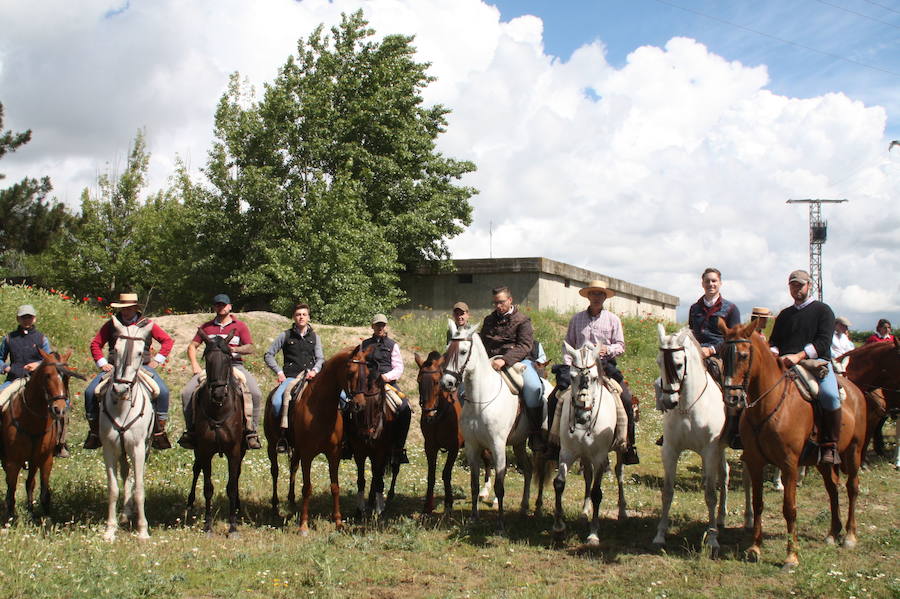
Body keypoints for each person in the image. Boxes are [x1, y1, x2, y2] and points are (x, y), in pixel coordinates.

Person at [556, 280, 640, 465]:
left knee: (625, 399)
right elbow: (568, 344)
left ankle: (627, 444)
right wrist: (570, 365)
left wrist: (607, 350)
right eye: (593, 294)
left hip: (603, 367)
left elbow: (620, 345)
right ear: (588, 296)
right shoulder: (576, 319)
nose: (596, 297)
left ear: (604, 297)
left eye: (600, 294)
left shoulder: (613, 319)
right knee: (556, 397)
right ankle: (553, 441)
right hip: (579, 368)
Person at [769, 270, 842, 464]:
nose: (796, 289)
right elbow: (774, 341)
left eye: (800, 285)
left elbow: (824, 342)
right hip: (785, 363)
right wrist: (774, 352)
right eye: (793, 285)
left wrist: (799, 355)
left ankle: (830, 445)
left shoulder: (823, 310)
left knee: (830, 395)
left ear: (809, 286)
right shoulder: (784, 315)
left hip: (816, 364)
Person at [83, 293, 174, 450]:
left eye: (128, 308)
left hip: (142, 367)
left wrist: (157, 360)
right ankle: (94, 432)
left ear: (135, 308)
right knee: (90, 392)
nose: (125, 311)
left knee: (163, 392)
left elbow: (167, 341)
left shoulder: (147, 324)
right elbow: (95, 344)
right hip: (115, 367)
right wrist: (103, 363)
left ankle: (159, 432)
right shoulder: (112, 324)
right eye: (123, 307)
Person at [178, 294, 262, 450]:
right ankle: (191, 431)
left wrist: (233, 349)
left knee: (255, 393)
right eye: (217, 305)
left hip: (235, 366)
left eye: (224, 305)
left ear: (230, 307)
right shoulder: (207, 327)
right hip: (211, 368)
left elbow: (250, 347)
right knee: (186, 393)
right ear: (214, 307)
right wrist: (195, 364)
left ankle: (251, 431)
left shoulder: (240, 326)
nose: (221, 307)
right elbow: (192, 346)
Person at [480, 286, 544, 450]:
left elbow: (525, 346)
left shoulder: (523, 320)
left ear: (510, 300)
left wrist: (505, 360)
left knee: (534, 387)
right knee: (464, 388)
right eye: (495, 303)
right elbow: (482, 343)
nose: (498, 306)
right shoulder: (488, 320)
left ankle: (536, 432)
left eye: (501, 302)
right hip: (490, 361)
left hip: (518, 361)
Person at [0, 305, 67, 456]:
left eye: (29, 317)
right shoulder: (9, 338)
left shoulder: (42, 338)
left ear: (34, 318)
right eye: (24, 317)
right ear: (18, 319)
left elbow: (51, 359)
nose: (27, 320)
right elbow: (0, 358)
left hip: (39, 382)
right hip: (14, 379)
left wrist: (37, 364)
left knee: (63, 405)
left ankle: (60, 443)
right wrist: (5, 368)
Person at [688, 267, 742, 448]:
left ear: (720, 283)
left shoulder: (731, 309)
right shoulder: (695, 308)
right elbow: (691, 332)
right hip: (695, 353)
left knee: (727, 384)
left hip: (720, 353)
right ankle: (674, 427)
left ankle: (734, 429)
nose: (710, 284)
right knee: (675, 376)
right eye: (707, 281)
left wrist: (711, 350)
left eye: (714, 281)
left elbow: (733, 338)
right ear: (702, 283)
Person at [264, 303, 324, 453]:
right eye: (298, 314)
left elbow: (320, 358)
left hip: (311, 377)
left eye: (304, 314)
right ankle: (282, 437)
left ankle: (339, 439)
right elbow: (268, 354)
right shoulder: (285, 335)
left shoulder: (315, 337)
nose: (301, 317)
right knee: (277, 402)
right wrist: (279, 372)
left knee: (340, 398)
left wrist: (315, 370)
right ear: (293, 317)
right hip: (291, 377)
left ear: (308, 317)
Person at [351, 314, 410, 465]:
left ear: (386, 326)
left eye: (382, 325)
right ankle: (348, 444)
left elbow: (398, 367)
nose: (380, 327)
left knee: (404, 407)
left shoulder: (392, 345)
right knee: (347, 406)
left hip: (387, 383)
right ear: (372, 326)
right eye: (377, 325)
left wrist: (385, 377)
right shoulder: (364, 344)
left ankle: (398, 448)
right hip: (366, 385)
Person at [447, 301, 470, 403]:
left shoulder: (472, 331)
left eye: (462, 314)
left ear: (468, 315)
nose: (459, 317)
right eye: (457, 314)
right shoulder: (450, 332)